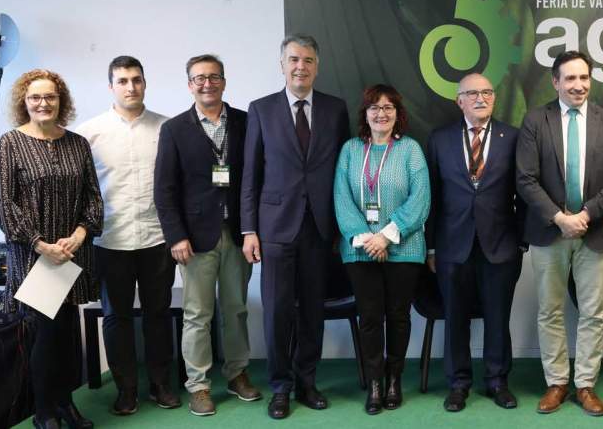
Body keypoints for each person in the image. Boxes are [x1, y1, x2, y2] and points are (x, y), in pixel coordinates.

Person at [241, 34, 350, 419]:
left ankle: (307, 382)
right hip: (274, 228)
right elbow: (250, 175)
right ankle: (280, 387)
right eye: (293, 60)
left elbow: (344, 170)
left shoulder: (336, 110)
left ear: (317, 66)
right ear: (282, 64)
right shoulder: (261, 109)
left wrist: (343, 226)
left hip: (320, 228)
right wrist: (248, 230)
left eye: (307, 60)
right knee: (277, 311)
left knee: (312, 312)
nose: (300, 66)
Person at [516, 50, 603, 417]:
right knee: (550, 310)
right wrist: (558, 217)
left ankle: (585, 385)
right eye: (570, 79)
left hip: (594, 232)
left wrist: (584, 214)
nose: (578, 85)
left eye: (584, 78)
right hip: (549, 232)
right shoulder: (536, 120)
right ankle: (556, 382)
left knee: (593, 314)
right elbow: (526, 179)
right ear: (555, 82)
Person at [154, 54, 261, 416]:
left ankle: (237, 373)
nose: (207, 83)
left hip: (238, 233)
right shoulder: (174, 129)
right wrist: (175, 236)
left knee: (236, 309)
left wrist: (253, 228)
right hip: (195, 239)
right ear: (189, 85)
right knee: (197, 314)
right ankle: (198, 385)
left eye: (214, 77)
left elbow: (255, 180)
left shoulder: (247, 122)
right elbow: (164, 190)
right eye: (199, 78)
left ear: (224, 82)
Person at [0, 69, 102, 429]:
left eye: (51, 97)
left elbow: (92, 196)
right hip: (34, 256)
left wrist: (79, 234)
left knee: (67, 331)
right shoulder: (9, 143)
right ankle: (44, 411)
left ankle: (66, 405)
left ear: (61, 101)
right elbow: (3, 203)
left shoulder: (77, 143)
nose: (44, 103)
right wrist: (40, 244)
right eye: (36, 98)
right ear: (24, 102)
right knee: (44, 333)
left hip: (73, 252)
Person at [75, 55, 179, 414]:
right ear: (111, 87)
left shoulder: (168, 128)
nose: (131, 87)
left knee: (158, 314)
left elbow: (175, 185)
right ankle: (126, 389)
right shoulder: (89, 133)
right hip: (110, 240)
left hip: (156, 238)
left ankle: (161, 384)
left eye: (136, 79)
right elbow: (84, 191)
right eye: (123, 81)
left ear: (145, 83)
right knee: (116, 317)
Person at [425, 73, 523, 412]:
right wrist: (432, 247)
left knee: (498, 316)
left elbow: (522, 192)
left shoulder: (512, 137)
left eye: (487, 92)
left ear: (494, 98)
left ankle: (497, 381)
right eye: (472, 93)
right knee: (455, 317)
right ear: (459, 100)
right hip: (452, 246)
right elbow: (433, 197)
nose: (481, 98)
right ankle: (458, 383)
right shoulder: (439, 139)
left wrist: (522, 241)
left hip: (501, 244)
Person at [333, 84, 430, 415]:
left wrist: (386, 236)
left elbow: (421, 200)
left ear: (397, 115)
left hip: (404, 248)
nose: (381, 113)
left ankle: (394, 379)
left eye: (388, 107)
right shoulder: (350, 150)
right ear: (365, 113)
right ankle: (375, 383)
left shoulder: (411, 150)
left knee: (398, 317)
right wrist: (368, 239)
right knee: (370, 318)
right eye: (375, 107)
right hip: (361, 251)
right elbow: (341, 200)